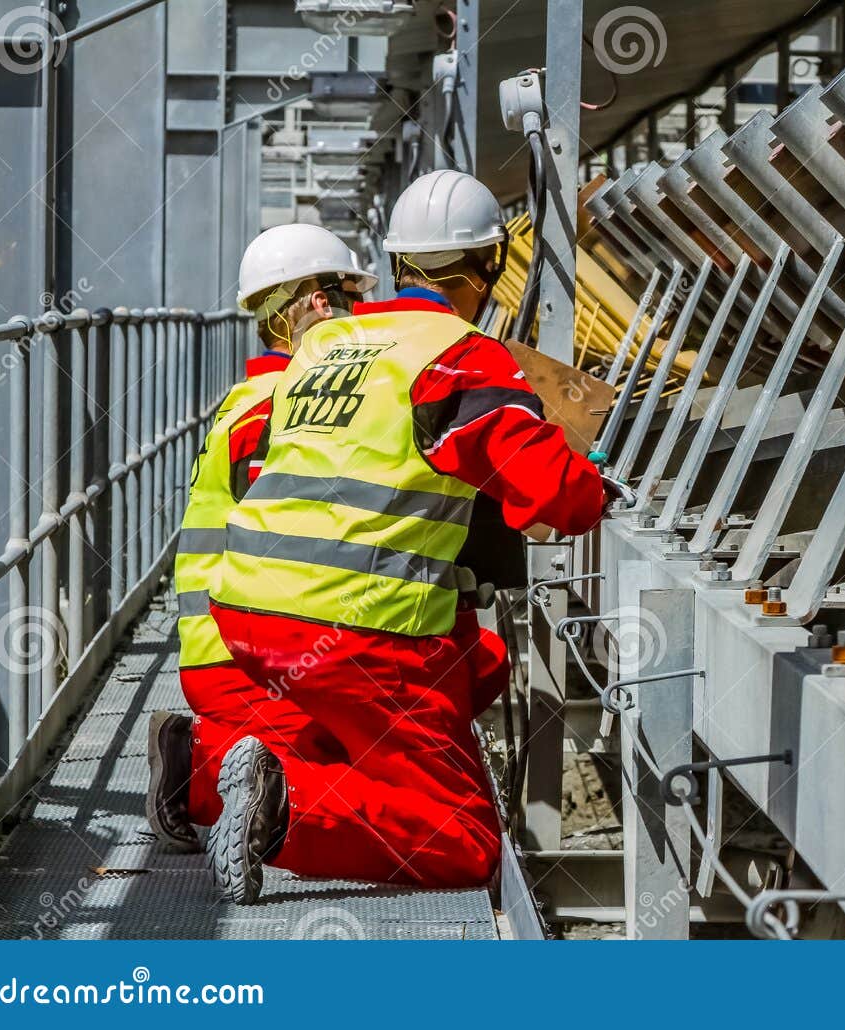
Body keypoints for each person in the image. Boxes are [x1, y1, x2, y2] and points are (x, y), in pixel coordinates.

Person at [207, 169, 612, 903]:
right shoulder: (460, 355)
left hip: (249, 611)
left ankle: (264, 771)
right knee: (464, 844)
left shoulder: (327, 347)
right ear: (492, 268)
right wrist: (599, 487)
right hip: (359, 627)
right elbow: (556, 494)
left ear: (394, 262)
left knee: (476, 659)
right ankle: (284, 809)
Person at [147, 224, 376, 853]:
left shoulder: (254, 394)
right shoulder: (279, 406)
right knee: (345, 770)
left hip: (227, 647)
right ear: (316, 303)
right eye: (353, 300)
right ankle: (190, 768)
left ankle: (196, 754)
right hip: (242, 657)